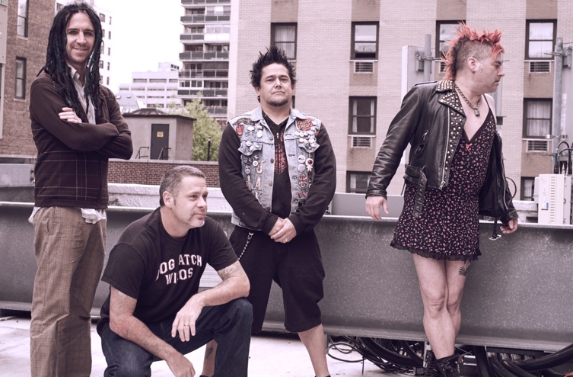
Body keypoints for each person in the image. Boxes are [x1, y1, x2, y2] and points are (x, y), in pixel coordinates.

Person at [365, 24, 518, 377]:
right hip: (427, 207)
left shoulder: (489, 105)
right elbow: (392, 143)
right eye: (497, 65)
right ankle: (448, 371)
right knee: (434, 299)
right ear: (474, 64)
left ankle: (437, 368)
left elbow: (493, 165)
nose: (502, 72)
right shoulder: (427, 96)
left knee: (452, 301)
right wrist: (376, 189)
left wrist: (505, 207)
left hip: (465, 212)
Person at [213, 46, 337, 377]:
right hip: (251, 233)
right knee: (233, 308)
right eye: (270, 79)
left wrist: (298, 222)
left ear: (292, 86)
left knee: (307, 308)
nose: (278, 83)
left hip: (299, 234)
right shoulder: (237, 129)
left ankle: (323, 375)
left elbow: (326, 180)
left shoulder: (313, 128)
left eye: (284, 78)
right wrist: (267, 223)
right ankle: (210, 374)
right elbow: (231, 183)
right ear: (258, 88)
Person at [28, 2, 133, 376]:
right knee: (51, 312)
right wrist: (103, 131)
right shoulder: (45, 87)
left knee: (78, 314)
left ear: (96, 40)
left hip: (96, 212)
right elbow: (75, 139)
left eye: (88, 33)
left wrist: (90, 130)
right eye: (73, 32)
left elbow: (126, 146)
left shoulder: (102, 95)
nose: (81, 39)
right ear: (60, 37)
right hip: (60, 209)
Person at [97, 165, 253, 377]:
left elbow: (241, 283)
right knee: (129, 372)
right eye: (193, 197)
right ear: (168, 199)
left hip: (176, 322)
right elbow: (120, 320)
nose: (203, 204)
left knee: (239, 309)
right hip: (131, 329)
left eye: (205, 196)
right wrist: (172, 356)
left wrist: (198, 300)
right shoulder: (136, 243)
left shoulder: (207, 230)